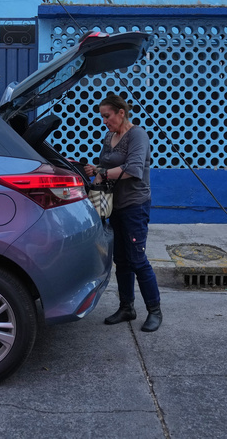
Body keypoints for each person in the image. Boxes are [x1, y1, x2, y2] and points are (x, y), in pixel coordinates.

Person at [84, 94, 162, 333]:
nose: (104, 121)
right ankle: (127, 307)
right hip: (114, 205)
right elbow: (105, 165)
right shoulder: (110, 136)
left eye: (107, 116)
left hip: (134, 206)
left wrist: (103, 173)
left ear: (121, 112)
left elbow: (133, 169)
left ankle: (155, 311)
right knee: (121, 260)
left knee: (138, 259)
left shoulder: (137, 135)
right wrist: (96, 171)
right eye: (102, 117)